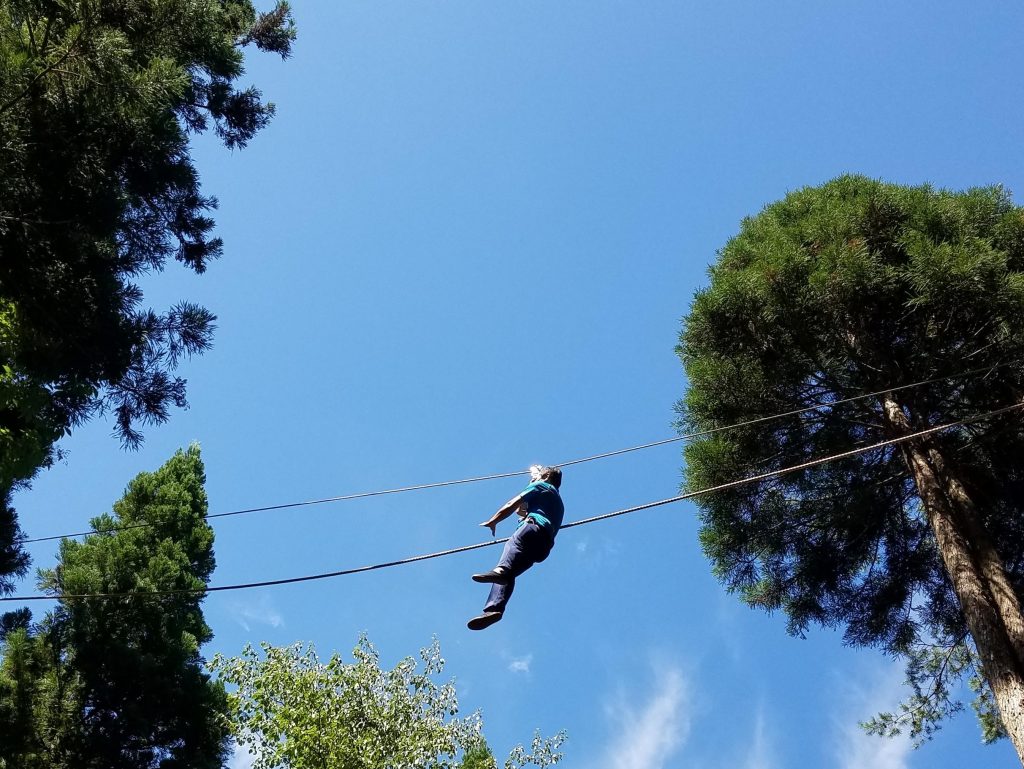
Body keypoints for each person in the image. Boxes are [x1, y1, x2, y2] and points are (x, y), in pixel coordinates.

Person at [467, 465, 564, 630]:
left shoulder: (541, 486)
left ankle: (500, 570)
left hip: (531, 530)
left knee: (511, 547)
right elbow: (522, 510)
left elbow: (514, 504)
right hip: (544, 547)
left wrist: (494, 521)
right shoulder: (556, 501)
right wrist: (535, 475)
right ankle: (494, 610)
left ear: (546, 476)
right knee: (509, 575)